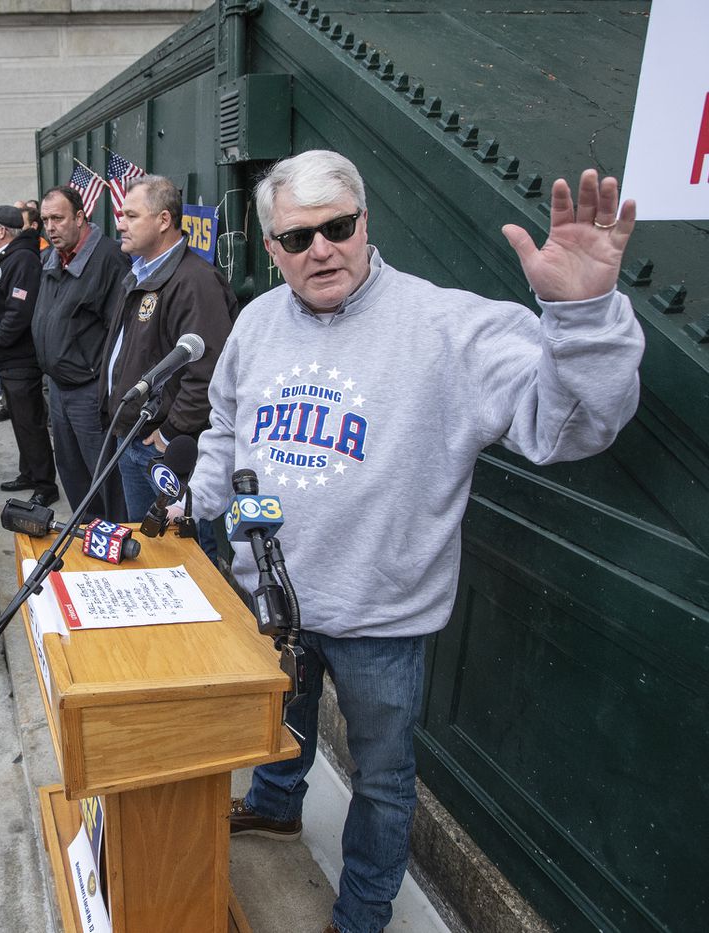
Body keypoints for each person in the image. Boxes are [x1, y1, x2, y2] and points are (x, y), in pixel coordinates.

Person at [189, 151, 644, 933]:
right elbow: (226, 422)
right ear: (272, 249)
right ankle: (275, 805)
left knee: (384, 778)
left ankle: (362, 911)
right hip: (271, 599)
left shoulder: (447, 323)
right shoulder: (259, 318)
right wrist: (198, 500)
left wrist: (583, 318)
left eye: (336, 228)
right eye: (297, 238)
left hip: (382, 616)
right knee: (279, 724)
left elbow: (573, 423)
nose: (320, 249)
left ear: (365, 224)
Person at [102, 174, 236, 524]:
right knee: (145, 548)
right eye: (121, 216)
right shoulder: (139, 272)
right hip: (132, 437)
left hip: (161, 450)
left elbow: (208, 372)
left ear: (164, 220)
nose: (120, 224)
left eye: (131, 216)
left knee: (181, 553)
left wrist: (169, 433)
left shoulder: (195, 281)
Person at [35, 185, 132, 517]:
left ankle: (117, 544)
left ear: (80, 217)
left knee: (105, 479)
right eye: (45, 219)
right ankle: (88, 538)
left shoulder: (108, 259)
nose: (50, 227)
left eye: (58, 219)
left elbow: (119, 333)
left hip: (90, 393)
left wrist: (105, 392)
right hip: (60, 389)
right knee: (73, 474)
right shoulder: (52, 257)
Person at [0, 205, 58, 506]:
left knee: (30, 422)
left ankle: (45, 485)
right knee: (20, 421)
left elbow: (18, 312)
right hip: (7, 360)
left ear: (2, 231)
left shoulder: (22, 259)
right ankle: (29, 472)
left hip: (19, 359)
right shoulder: (9, 258)